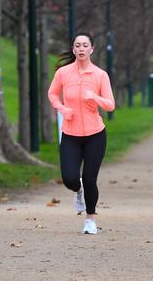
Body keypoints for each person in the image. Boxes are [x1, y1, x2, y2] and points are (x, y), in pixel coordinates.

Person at [48, 33, 115, 235]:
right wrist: (62, 108)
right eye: (78, 45)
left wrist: (94, 97)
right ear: (73, 49)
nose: (81, 48)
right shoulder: (63, 73)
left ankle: (90, 219)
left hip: (95, 134)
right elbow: (52, 93)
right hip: (70, 134)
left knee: (89, 178)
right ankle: (78, 192)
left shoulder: (100, 75)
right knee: (70, 178)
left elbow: (110, 105)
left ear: (91, 49)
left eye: (85, 45)